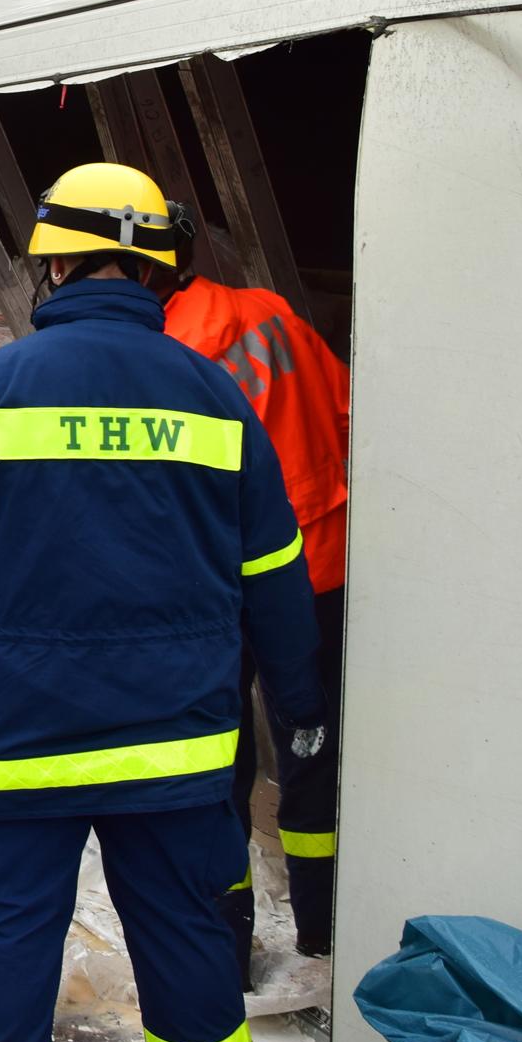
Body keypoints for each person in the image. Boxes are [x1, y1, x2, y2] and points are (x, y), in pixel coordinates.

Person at [0, 161, 326, 1042]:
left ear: (53, 266)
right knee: (188, 943)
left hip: (18, 743)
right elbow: (274, 572)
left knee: (3, 949)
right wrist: (300, 703)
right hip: (174, 749)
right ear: (157, 272)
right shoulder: (215, 395)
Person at [162, 234, 352, 962]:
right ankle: (321, 927)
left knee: (220, 763)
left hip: (219, 587)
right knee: (312, 745)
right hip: (319, 566)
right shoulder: (273, 314)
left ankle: (229, 945)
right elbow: (345, 410)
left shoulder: (166, 358)